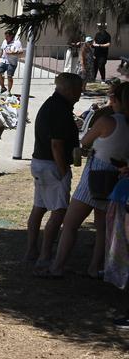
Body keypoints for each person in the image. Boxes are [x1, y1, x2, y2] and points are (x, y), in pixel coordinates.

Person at [43, 81, 129, 278]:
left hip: (96, 172)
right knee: (101, 227)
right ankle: (94, 267)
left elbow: (84, 141)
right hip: (117, 175)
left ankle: (57, 266)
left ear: (114, 99)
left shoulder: (107, 122)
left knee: (71, 223)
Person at [25, 73, 84, 268]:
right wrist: (63, 170)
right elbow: (56, 144)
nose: (80, 94)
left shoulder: (51, 105)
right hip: (52, 164)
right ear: (67, 90)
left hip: (40, 162)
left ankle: (32, 250)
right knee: (59, 211)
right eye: (77, 90)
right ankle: (44, 255)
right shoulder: (60, 109)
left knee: (39, 207)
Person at [0, 30, 23, 95]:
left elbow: (21, 52)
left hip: (12, 63)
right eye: (5, 36)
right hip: (4, 61)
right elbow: (1, 50)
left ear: (11, 36)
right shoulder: (4, 41)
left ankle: (9, 91)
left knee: (9, 77)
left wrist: (12, 53)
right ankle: (3, 88)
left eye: (7, 36)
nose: (6, 38)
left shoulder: (17, 42)